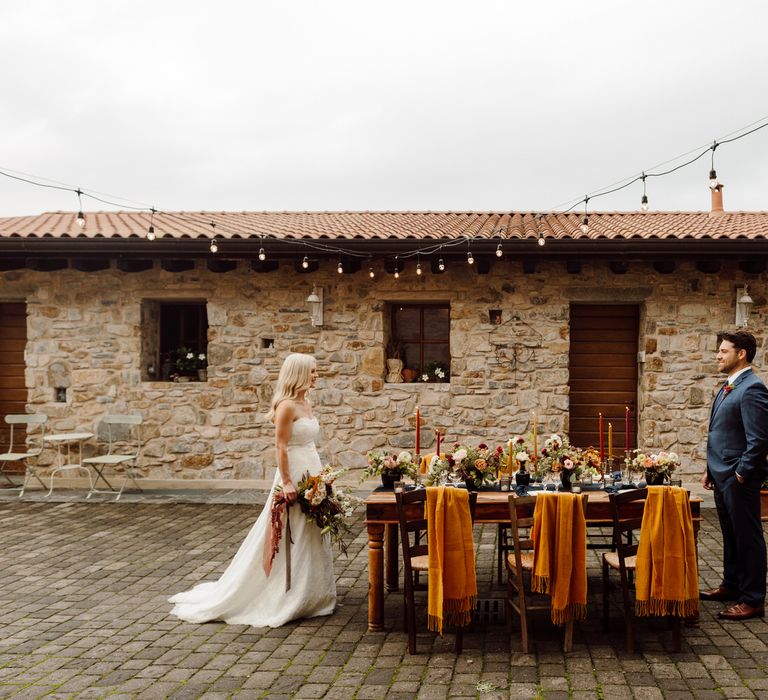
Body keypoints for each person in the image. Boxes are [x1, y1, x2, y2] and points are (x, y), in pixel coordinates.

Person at [169, 353, 336, 627]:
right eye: (314, 371)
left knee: (310, 530)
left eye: (317, 371)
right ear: (299, 374)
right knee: (287, 530)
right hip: (292, 472)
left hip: (311, 469)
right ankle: (284, 594)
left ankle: (312, 594)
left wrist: (321, 476)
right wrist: (287, 482)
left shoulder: (306, 402)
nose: (317, 375)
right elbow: (280, 447)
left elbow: (308, 442)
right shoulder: (286, 407)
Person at [700, 330, 768, 621]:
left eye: (724, 351)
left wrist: (741, 473)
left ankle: (753, 599)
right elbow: (722, 432)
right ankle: (731, 585)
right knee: (729, 534)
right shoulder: (729, 386)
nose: (718, 355)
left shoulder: (752, 388)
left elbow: (760, 439)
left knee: (748, 537)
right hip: (721, 474)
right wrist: (710, 468)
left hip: (737, 478)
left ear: (741, 354)